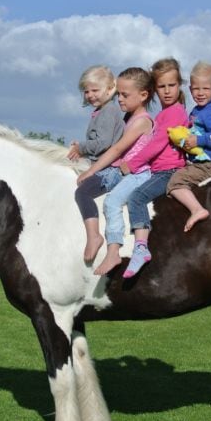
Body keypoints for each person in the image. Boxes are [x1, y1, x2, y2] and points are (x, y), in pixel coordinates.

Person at [75, 67, 155, 274]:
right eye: (118, 94)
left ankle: (111, 249)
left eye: (124, 95)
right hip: (125, 169)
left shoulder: (142, 121)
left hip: (135, 172)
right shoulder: (128, 119)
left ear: (143, 95)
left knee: (108, 201)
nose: (119, 99)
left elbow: (116, 148)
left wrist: (91, 171)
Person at [120, 57, 189, 278]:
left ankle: (141, 248)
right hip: (158, 169)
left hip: (168, 171)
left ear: (179, 85)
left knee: (136, 197)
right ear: (155, 89)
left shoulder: (175, 112)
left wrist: (132, 164)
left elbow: (157, 144)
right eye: (162, 86)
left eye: (172, 85)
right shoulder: (163, 114)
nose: (167, 91)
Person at [167, 60, 211, 232]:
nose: (200, 93)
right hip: (197, 162)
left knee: (176, 182)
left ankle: (197, 210)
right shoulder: (196, 110)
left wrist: (199, 141)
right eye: (196, 89)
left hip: (207, 165)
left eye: (205, 89)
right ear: (190, 90)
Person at [66, 65, 125, 163]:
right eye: (86, 91)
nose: (89, 95)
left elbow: (103, 143)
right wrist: (81, 146)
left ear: (109, 89)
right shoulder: (102, 110)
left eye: (95, 90)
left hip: (105, 166)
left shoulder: (108, 111)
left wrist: (80, 148)